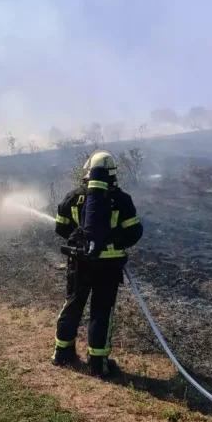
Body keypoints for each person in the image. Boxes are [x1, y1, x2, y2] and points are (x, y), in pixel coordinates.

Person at [52, 150, 144, 378]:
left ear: (87, 173)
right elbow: (133, 232)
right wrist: (113, 243)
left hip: (79, 263)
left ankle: (63, 354)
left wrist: (81, 240)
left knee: (72, 305)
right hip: (109, 268)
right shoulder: (121, 200)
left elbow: (60, 227)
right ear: (112, 175)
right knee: (102, 311)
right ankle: (98, 363)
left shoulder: (73, 197)